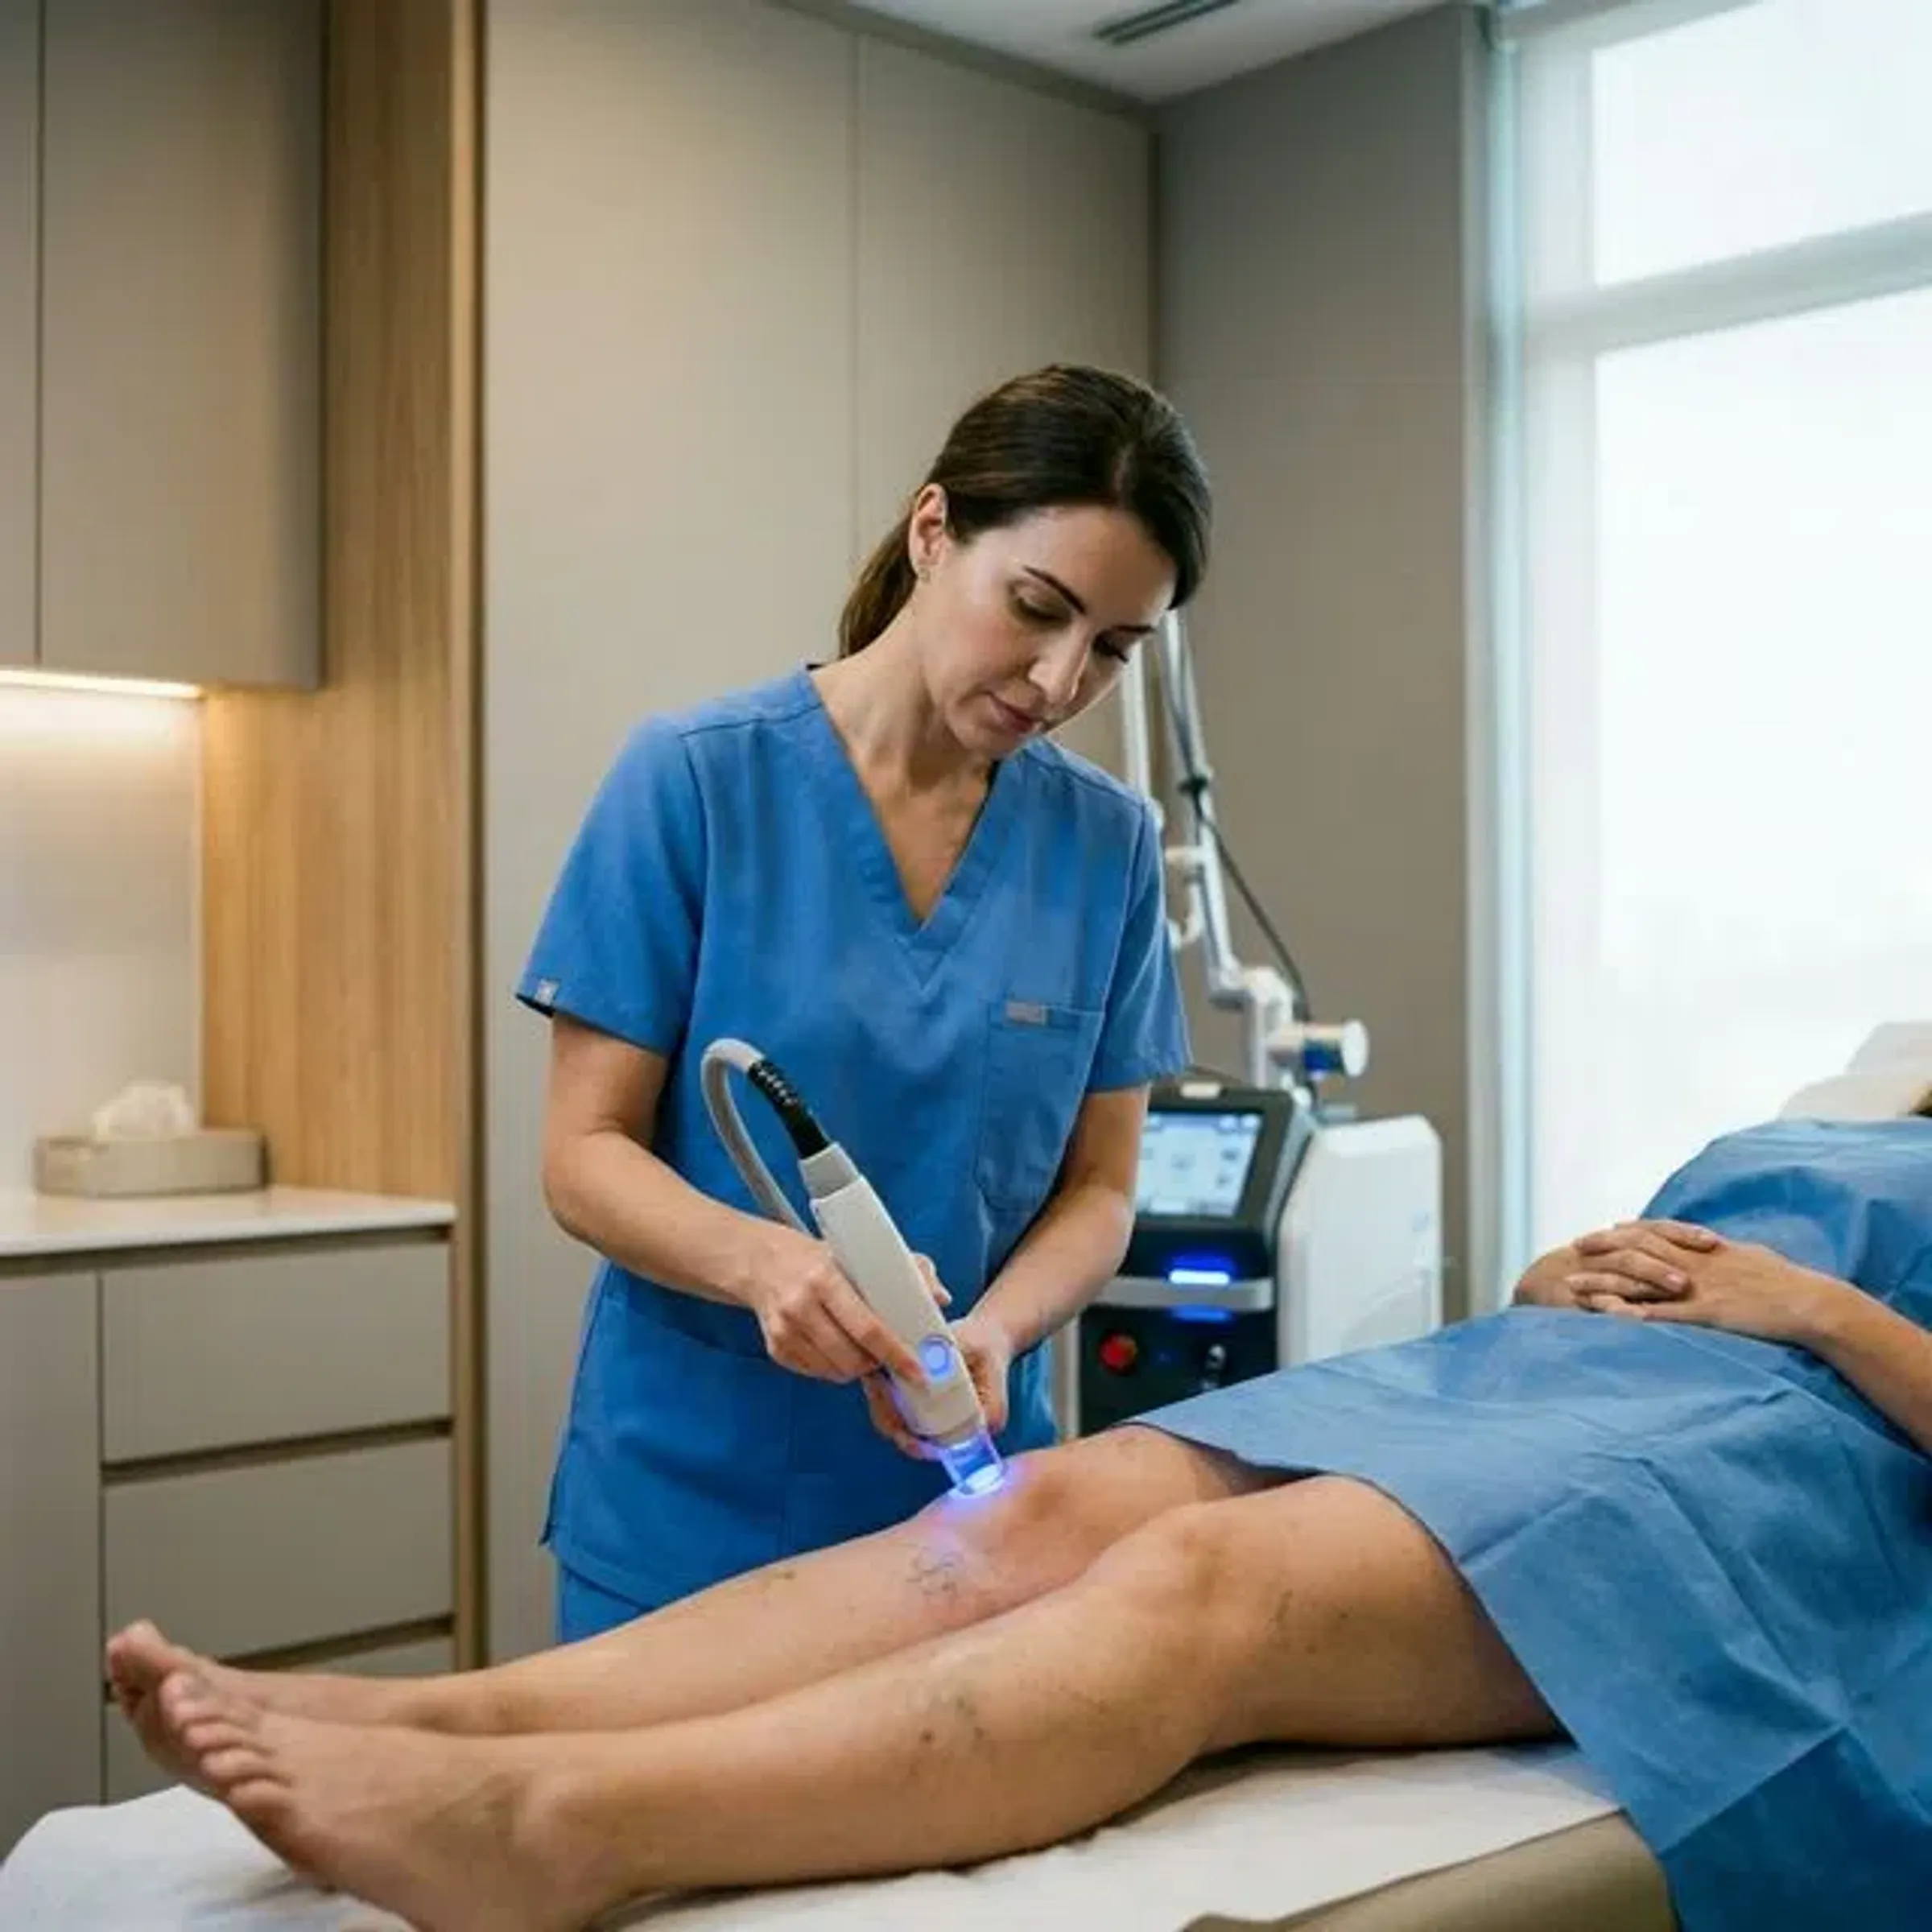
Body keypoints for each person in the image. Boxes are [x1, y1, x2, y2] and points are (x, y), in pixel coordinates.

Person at [108, 1115, 1932, 1932]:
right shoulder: (1849, 1109)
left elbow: (1812, 1312)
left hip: (1776, 1470)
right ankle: (446, 1717)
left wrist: (1819, 1314)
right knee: (1042, 1500)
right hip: (1533, 1378)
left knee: (1203, 1582)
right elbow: (1664, 1264)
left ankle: (559, 1830)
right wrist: (1565, 1279)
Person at [513, 364, 1212, 1640]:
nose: (1061, 683)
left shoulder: (1104, 848)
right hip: (691, 1516)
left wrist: (995, 1334)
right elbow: (582, 1157)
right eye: (1038, 609)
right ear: (934, 531)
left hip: (974, 1512)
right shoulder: (694, 784)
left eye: (1112, 648)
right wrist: (765, 1264)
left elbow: (1102, 1192)